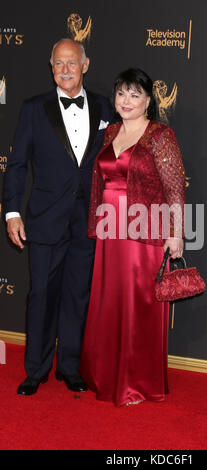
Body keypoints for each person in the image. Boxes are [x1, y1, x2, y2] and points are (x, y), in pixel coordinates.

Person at [3, 38, 112, 396]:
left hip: (87, 221)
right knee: (42, 295)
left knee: (77, 295)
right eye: (58, 63)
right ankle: (35, 369)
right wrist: (12, 212)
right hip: (44, 218)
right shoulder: (34, 108)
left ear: (86, 65)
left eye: (72, 63)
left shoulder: (104, 107)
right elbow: (17, 165)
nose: (65, 69)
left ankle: (69, 366)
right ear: (51, 67)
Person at [80, 68, 186, 407]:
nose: (127, 101)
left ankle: (137, 381)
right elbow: (100, 180)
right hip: (111, 229)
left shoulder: (160, 135)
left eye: (135, 95)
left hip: (143, 230)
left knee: (138, 303)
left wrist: (176, 232)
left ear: (148, 100)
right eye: (122, 94)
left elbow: (174, 187)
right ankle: (107, 375)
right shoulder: (111, 131)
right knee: (110, 301)